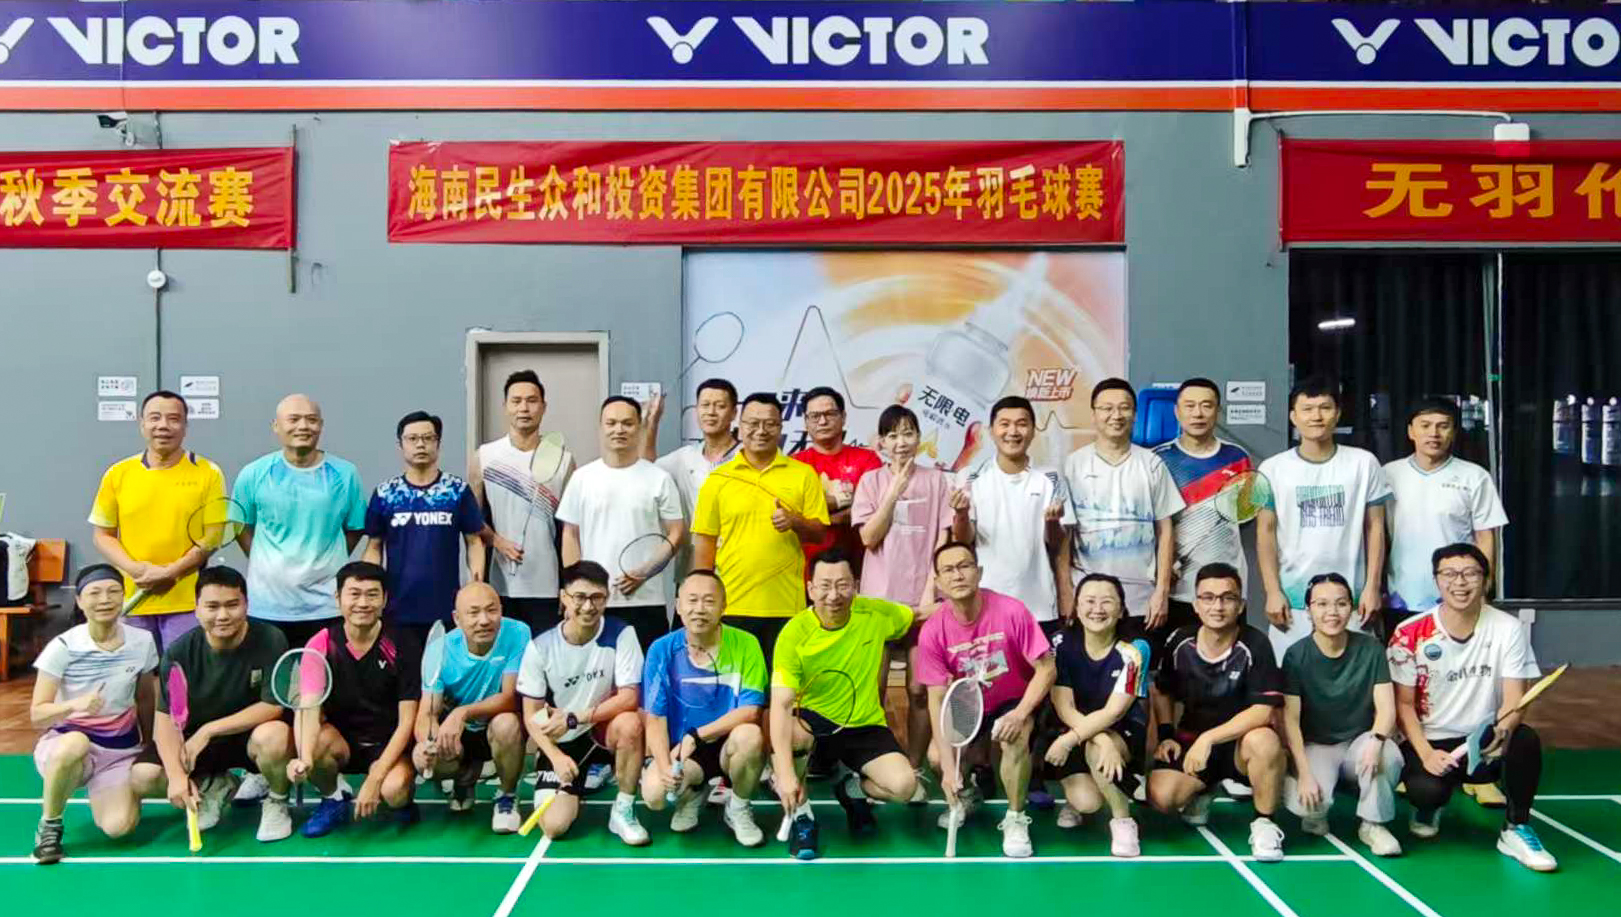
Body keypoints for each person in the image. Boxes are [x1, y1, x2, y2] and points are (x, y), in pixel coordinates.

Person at [1388, 543, 1556, 872]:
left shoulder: (1508, 628)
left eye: (1470, 573)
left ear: (1486, 579)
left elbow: (1515, 698)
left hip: (1484, 738)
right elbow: (1403, 705)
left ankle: (1516, 828)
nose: (1460, 582)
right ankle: (1427, 807)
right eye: (1449, 574)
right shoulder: (1410, 633)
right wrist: (1426, 753)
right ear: (1437, 580)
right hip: (1431, 740)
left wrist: (1502, 731)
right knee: (1426, 791)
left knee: (1524, 739)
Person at [1384, 397, 1511, 811]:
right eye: (1425, 425)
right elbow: (1376, 533)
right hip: (1404, 600)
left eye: (1442, 425)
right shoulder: (1389, 475)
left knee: (1474, 686)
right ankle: (1414, 764)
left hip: (1460, 600)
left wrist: (1482, 587)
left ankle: (1481, 772)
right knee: (1410, 690)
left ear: (1454, 431)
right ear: (1410, 431)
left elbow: (1486, 536)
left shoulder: (1473, 477)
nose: (1434, 433)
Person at [771, 549, 919, 860]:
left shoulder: (875, 614)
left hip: (863, 724)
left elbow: (917, 615)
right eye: (825, 586)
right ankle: (802, 817)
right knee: (793, 736)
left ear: (856, 586)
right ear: (810, 589)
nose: (834, 595)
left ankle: (851, 789)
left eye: (842, 585)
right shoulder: (794, 634)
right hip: (814, 722)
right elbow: (781, 705)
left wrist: (965, 600)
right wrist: (783, 773)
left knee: (905, 787)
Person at [917, 542, 1056, 858]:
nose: (958, 575)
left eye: (965, 566)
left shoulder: (1011, 611)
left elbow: (1047, 668)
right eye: (948, 570)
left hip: (1014, 699)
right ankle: (966, 794)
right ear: (938, 582)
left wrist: (1020, 714)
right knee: (937, 757)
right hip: (968, 701)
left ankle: (1016, 817)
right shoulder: (933, 630)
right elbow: (937, 700)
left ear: (978, 572)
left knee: (1014, 737)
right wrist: (949, 769)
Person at [1148, 563, 1288, 862]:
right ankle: (1203, 789)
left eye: (1228, 598)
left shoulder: (1256, 644)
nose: (1218, 606)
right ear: (1196, 605)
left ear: (1241, 605)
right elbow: (1161, 690)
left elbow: (1263, 712)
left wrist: (1209, 738)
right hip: (1192, 741)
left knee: (1265, 741)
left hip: (1240, 744)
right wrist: (1166, 735)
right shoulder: (1179, 641)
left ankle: (1264, 823)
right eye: (1208, 598)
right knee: (1162, 797)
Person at [149, 566, 296, 843]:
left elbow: (272, 706)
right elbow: (166, 719)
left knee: (275, 736)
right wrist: (176, 776)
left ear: (247, 604)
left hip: (248, 738)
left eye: (232, 605)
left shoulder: (270, 639)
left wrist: (209, 730)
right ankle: (214, 785)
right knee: (144, 776)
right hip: (202, 747)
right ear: (197, 609)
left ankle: (277, 800)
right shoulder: (180, 652)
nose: (223, 615)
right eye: (212, 607)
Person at [30, 565, 163, 864]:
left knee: (119, 827)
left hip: (117, 750)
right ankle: (49, 826)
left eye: (113, 591)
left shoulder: (141, 641)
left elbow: (144, 696)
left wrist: (147, 743)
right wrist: (72, 705)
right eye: (95, 593)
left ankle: (120, 792)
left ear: (124, 596)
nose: (105, 599)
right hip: (66, 746)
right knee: (75, 743)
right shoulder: (63, 647)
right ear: (79, 600)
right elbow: (37, 714)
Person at [853, 404, 954, 785]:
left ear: (919, 438)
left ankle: (914, 767)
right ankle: (872, 764)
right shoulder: (871, 482)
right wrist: (893, 491)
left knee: (918, 690)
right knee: (873, 689)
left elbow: (943, 540)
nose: (901, 442)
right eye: (892, 435)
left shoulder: (937, 481)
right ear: (881, 442)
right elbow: (868, 537)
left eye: (908, 433)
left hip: (924, 601)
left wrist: (930, 591)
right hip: (878, 602)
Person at [692, 392, 829, 669]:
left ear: (780, 427)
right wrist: (704, 598)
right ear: (740, 426)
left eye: (770, 424)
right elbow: (704, 544)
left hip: (786, 606)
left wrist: (795, 521)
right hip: (731, 605)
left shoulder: (803, 474)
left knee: (781, 687)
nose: (761, 431)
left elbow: (820, 533)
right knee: (735, 685)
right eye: (753, 423)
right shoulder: (718, 479)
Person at [516, 561, 649, 845]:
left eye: (597, 597)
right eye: (579, 597)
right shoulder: (540, 647)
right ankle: (572, 787)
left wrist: (576, 717)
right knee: (554, 826)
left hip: (603, 730)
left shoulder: (621, 634)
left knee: (630, 723)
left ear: (606, 599)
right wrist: (555, 757)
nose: (588, 606)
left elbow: (629, 697)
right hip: (565, 741)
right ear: (563, 597)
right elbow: (531, 715)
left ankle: (623, 810)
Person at [1258, 376, 1390, 658]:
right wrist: (1272, 591)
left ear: (1338, 414)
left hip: (1351, 601)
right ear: (1293, 416)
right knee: (1291, 679)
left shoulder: (1363, 463)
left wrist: (1372, 587)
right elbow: (1265, 533)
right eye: (1307, 409)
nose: (1316, 416)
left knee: (1353, 677)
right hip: (1293, 602)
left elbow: (1376, 527)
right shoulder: (1272, 469)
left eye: (1325, 408)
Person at [290, 562, 422, 838]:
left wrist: (376, 778)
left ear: (384, 599)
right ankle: (333, 797)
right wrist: (305, 760)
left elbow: (407, 721)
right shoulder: (321, 643)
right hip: (341, 742)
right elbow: (309, 709)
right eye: (354, 594)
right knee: (314, 743)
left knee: (393, 791)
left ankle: (401, 800)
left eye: (372, 594)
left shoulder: (403, 643)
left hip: (388, 743)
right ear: (338, 599)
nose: (363, 603)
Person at [89, 390, 227, 653]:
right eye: (154, 418)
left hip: (187, 602)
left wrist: (171, 573)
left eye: (173, 419)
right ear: (142, 423)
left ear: (185, 426)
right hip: (132, 599)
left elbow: (213, 537)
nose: (163, 425)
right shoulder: (118, 474)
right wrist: (135, 570)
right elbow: (102, 535)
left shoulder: (208, 473)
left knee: (180, 672)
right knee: (134, 673)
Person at [640, 569, 769, 846]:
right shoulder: (661, 650)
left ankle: (738, 807)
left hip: (728, 743)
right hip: (685, 750)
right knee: (654, 795)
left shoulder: (746, 644)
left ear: (724, 606)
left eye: (709, 601)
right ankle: (692, 795)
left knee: (751, 736)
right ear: (678, 606)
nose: (699, 609)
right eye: (692, 600)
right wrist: (664, 766)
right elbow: (655, 718)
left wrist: (696, 735)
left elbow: (751, 711)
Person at [1280, 573, 1403, 857]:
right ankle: (1296, 792)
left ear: (1352, 608)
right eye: (1322, 604)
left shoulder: (1371, 649)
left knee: (1388, 755)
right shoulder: (1296, 655)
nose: (1332, 612)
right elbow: (1291, 721)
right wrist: (1304, 773)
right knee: (1309, 809)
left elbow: (1387, 708)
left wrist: (1376, 741)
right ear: (1308, 610)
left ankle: (1373, 825)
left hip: (1361, 741)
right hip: (1318, 745)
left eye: (1341, 603)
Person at [233, 392, 367, 649]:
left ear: (321, 425)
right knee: (270, 675)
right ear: (276, 426)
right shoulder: (254, 473)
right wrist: (266, 561)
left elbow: (354, 528)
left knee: (324, 674)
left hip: (328, 606)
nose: (303, 426)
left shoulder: (345, 474)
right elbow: (240, 526)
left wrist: (327, 559)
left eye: (311, 420)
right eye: (293, 419)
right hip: (268, 606)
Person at [558, 396, 686, 654]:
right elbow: (570, 535)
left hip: (646, 601)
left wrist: (644, 572)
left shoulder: (658, 478)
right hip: (593, 603)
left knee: (645, 673)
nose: (619, 429)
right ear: (601, 427)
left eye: (627, 423)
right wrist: (575, 590)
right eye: (612, 423)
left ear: (639, 427)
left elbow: (677, 533)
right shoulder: (582, 478)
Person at [1062, 378, 1184, 635]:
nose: (1116, 415)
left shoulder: (1152, 464)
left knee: (1138, 660)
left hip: (1141, 600)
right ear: (1094, 414)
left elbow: (1165, 531)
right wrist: (1066, 590)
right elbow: (1065, 536)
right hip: (1087, 599)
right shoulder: (1073, 465)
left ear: (1135, 414)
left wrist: (1161, 592)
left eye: (1124, 408)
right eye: (1107, 408)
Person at [1045, 573, 1151, 858]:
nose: (1097, 609)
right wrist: (1096, 738)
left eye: (1107, 602)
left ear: (1122, 610)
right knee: (1087, 802)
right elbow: (1064, 706)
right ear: (1077, 608)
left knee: (1098, 748)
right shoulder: (1060, 643)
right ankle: (1079, 797)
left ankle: (1123, 821)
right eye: (1089, 601)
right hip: (1070, 725)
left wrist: (1092, 740)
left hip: (1120, 729)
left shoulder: (1136, 649)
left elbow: (1115, 711)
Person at [411, 582, 530, 834]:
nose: (484, 620)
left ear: (501, 610)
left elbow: (510, 697)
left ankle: (507, 796)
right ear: (457, 618)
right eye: (473, 613)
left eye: (491, 610)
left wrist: (461, 712)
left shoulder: (518, 633)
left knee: (507, 724)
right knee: (424, 757)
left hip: (495, 721)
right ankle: (462, 779)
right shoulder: (439, 649)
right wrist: (427, 743)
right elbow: (427, 713)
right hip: (459, 733)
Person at [363, 410, 487, 645]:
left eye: (428, 438)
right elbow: (374, 546)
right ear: (400, 445)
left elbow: (474, 541)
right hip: (397, 609)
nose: (420, 444)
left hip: (447, 608)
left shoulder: (457, 490)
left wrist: (476, 584)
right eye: (412, 439)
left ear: (438, 443)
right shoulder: (385, 493)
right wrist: (371, 591)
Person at [951, 395, 1071, 630]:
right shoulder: (970, 477)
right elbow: (964, 540)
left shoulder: (1051, 477)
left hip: (1039, 606)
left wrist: (1052, 522)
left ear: (1033, 430)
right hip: (986, 604)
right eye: (1004, 424)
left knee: (1044, 656)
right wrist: (962, 514)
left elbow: (1058, 544)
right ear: (991, 431)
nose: (1013, 431)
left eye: (1022, 424)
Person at [471, 370, 576, 634]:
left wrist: (569, 585)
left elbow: (571, 530)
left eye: (531, 400)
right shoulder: (485, 457)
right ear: (505, 406)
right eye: (516, 401)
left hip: (547, 585)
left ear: (543, 407)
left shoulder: (564, 461)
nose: (524, 408)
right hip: (498, 586)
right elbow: (472, 523)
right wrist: (497, 541)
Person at [1153, 378, 1254, 649]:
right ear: (1177, 412)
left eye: (1206, 406)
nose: (1198, 413)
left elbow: (1244, 519)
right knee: (1176, 662)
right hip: (1178, 590)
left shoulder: (1238, 457)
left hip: (1227, 590)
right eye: (1190, 406)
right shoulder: (1159, 460)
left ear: (1217, 411)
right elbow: (1154, 527)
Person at [644, 378, 741, 581]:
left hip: (737, 571)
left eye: (720, 406)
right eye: (705, 405)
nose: (711, 412)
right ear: (696, 410)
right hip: (692, 573)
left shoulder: (747, 457)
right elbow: (646, 470)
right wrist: (652, 422)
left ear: (734, 413)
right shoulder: (684, 458)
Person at [790, 386, 883, 578]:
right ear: (806, 422)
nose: (822, 421)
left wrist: (816, 517)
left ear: (843, 417)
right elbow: (792, 511)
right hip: (806, 572)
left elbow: (873, 508)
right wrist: (846, 502)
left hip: (860, 568)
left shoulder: (867, 459)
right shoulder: (793, 464)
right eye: (815, 416)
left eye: (830, 414)